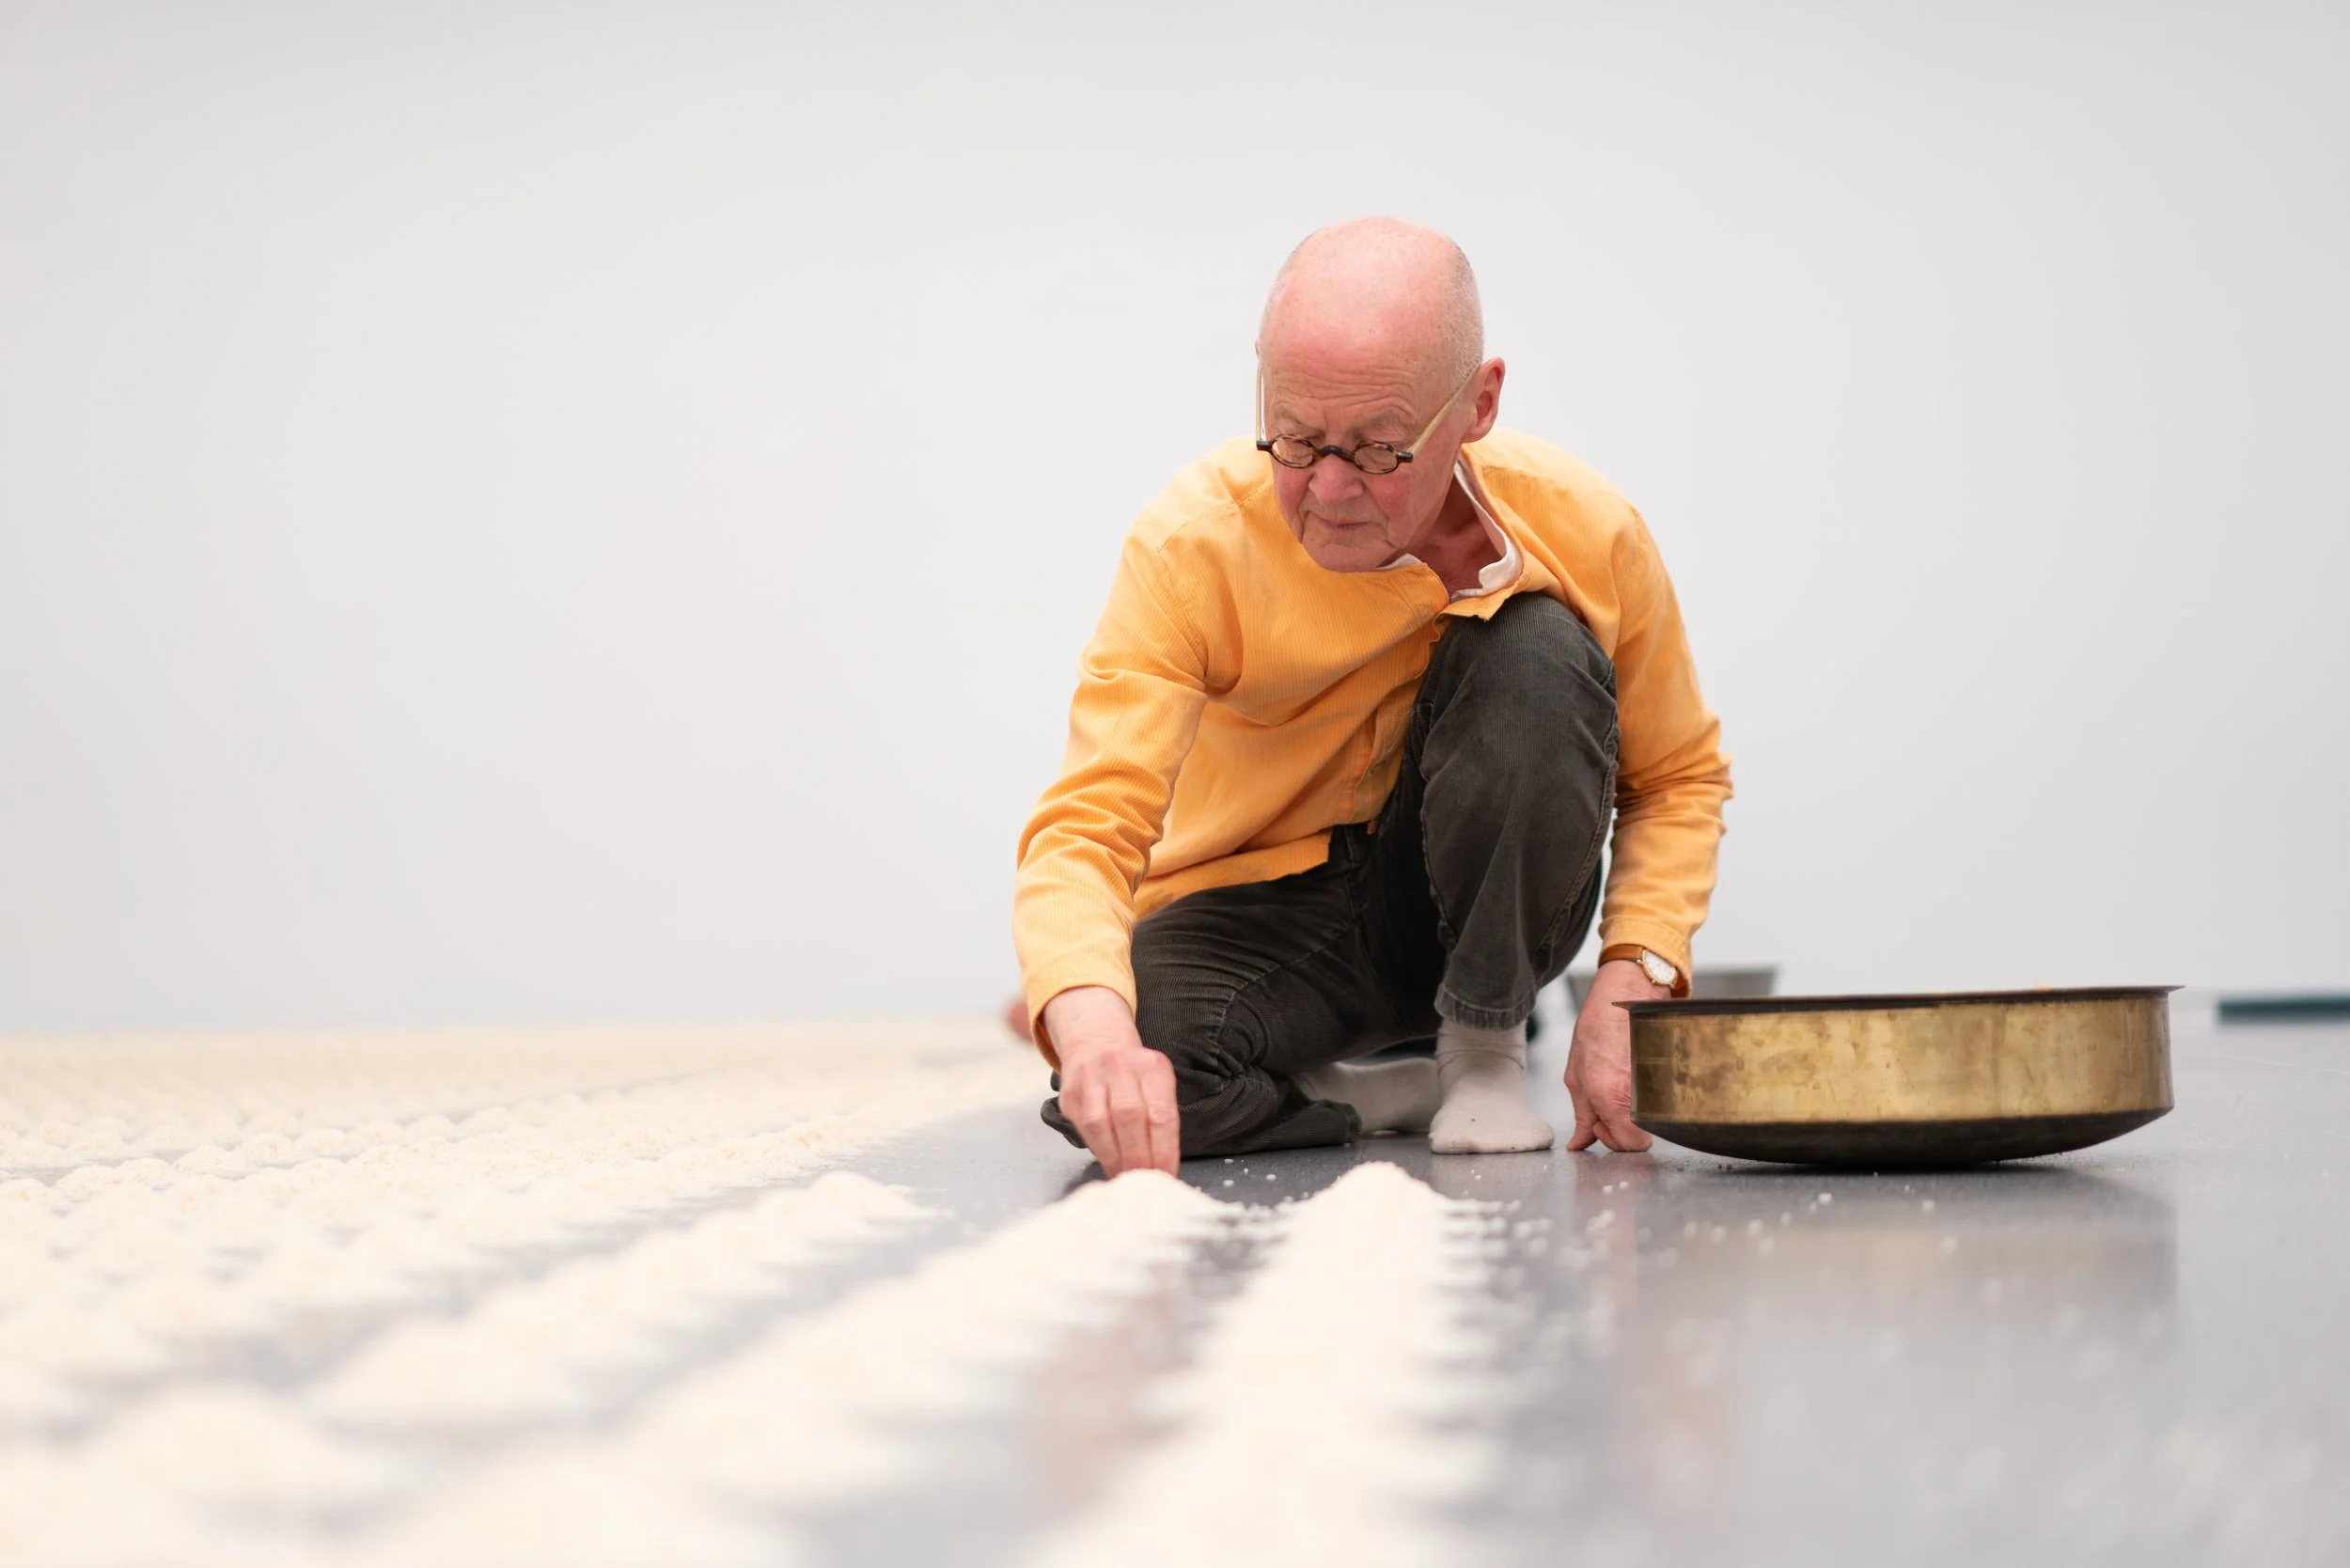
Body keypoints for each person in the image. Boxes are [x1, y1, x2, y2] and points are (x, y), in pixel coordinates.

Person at [1012, 217, 1731, 1177]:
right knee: (1118, 1064)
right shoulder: (1189, 547)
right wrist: (1093, 1027)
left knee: (1534, 652)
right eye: (1297, 441)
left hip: (1483, 903)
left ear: (1477, 405)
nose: (1331, 490)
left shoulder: (1586, 527)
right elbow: (1087, 827)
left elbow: (1676, 779)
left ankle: (1483, 1049)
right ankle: (1364, 1093)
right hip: (1265, 919)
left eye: (1381, 449)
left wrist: (1634, 978)